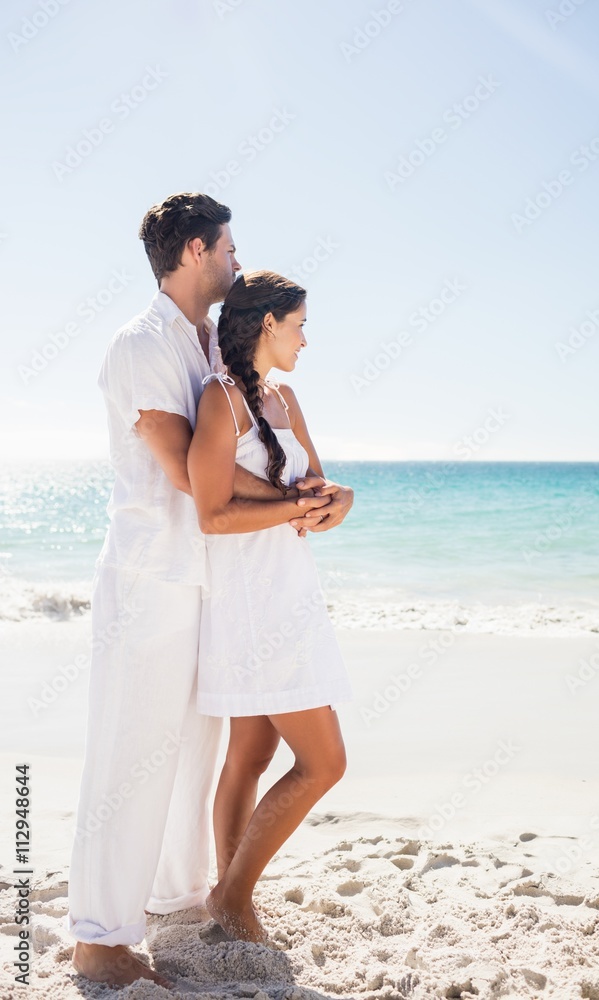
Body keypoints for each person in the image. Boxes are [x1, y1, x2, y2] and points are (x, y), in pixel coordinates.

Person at [69, 193, 354, 988]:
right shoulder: (143, 344)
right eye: (229, 247)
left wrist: (319, 499)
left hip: (213, 581)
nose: (236, 259)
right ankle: (98, 938)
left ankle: (175, 901)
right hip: (151, 572)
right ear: (196, 250)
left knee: (190, 754)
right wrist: (298, 503)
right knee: (128, 752)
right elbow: (191, 471)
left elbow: (253, 453)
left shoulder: (206, 345)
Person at [187, 270, 354, 943]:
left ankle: (230, 901)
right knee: (325, 764)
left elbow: (314, 486)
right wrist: (294, 507)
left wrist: (338, 502)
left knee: (251, 751)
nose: (305, 340)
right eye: (300, 325)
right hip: (255, 606)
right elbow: (210, 515)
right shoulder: (218, 401)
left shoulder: (283, 396)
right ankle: (230, 899)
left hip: (288, 590)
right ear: (267, 324)